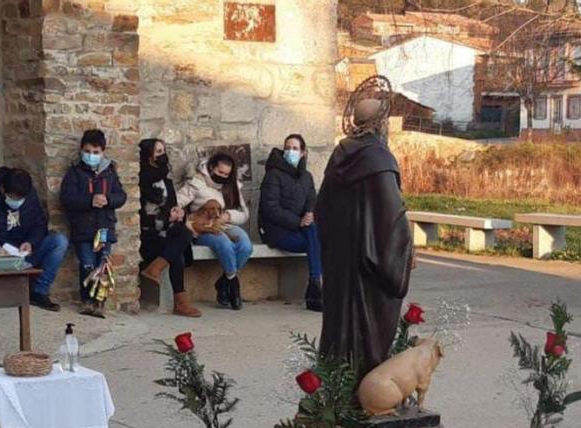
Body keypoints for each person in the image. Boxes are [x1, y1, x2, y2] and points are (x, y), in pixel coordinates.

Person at [315, 76, 413, 377]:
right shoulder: (379, 159)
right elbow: (391, 219)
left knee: (340, 327)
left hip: (341, 263)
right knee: (369, 335)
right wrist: (404, 252)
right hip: (369, 269)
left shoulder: (340, 154)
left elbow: (322, 208)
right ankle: (368, 389)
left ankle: (338, 386)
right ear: (381, 124)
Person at [0, 167, 67, 311]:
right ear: (3, 189)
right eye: (14, 198)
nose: (18, 202)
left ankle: (39, 292)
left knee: (59, 241)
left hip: (24, 253)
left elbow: (40, 224)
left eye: (21, 199)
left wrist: (31, 242)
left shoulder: (30, 196)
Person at [60, 129, 126, 319]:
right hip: (83, 228)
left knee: (103, 264)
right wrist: (90, 200)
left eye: (96, 152)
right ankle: (87, 301)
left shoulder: (110, 173)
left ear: (103, 152)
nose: (91, 156)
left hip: (104, 228)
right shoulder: (74, 173)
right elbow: (67, 199)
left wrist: (108, 199)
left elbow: (121, 196)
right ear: (82, 150)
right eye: (88, 151)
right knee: (87, 264)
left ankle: (100, 302)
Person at [175, 152, 253, 310]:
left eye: (226, 174)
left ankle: (223, 281)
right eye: (220, 172)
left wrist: (228, 215)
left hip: (225, 223)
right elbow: (178, 200)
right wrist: (184, 218)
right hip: (203, 227)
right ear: (211, 168)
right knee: (224, 243)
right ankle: (233, 283)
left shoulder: (232, 185)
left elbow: (244, 213)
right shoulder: (198, 183)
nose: (223, 176)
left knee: (245, 244)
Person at [137, 138, 199, 318]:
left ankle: (154, 270)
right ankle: (180, 301)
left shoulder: (167, 182)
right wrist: (165, 218)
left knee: (182, 236)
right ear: (148, 155)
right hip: (149, 233)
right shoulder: (141, 181)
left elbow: (172, 206)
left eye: (163, 151)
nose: (162, 155)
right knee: (177, 250)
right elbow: (141, 215)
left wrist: (178, 213)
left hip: (168, 229)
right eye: (157, 152)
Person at [260, 133, 322, 312]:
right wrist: (299, 222)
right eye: (287, 148)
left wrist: (309, 213)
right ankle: (317, 287)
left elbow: (312, 199)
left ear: (303, 152)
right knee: (317, 240)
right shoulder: (273, 175)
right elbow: (270, 208)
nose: (290, 151)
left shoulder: (307, 176)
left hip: (302, 231)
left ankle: (316, 285)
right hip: (278, 232)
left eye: (295, 148)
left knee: (316, 235)